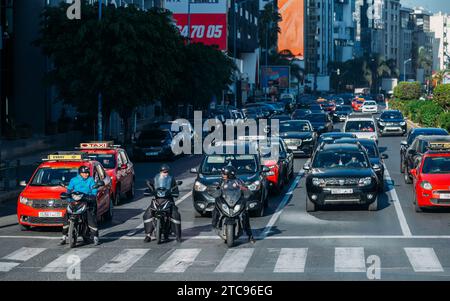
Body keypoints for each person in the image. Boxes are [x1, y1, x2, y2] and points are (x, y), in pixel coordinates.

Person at [211, 166, 255, 243]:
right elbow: (216, 188)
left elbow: (244, 188)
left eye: (224, 174)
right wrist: (215, 191)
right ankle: (215, 224)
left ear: (230, 174)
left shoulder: (238, 181)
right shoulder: (221, 181)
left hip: (235, 201)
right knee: (215, 209)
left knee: (245, 215)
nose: (222, 175)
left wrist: (247, 191)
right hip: (225, 201)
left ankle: (250, 235)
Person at [60, 165, 99, 246]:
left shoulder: (91, 180)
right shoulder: (74, 180)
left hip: (87, 200)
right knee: (66, 214)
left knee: (90, 216)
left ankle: (95, 236)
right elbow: (69, 190)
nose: (86, 174)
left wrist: (92, 195)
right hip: (75, 201)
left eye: (87, 173)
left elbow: (94, 189)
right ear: (80, 173)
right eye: (84, 173)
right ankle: (63, 236)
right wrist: (68, 197)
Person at [143, 164, 181, 243]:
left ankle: (178, 236)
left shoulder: (171, 179)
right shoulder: (156, 179)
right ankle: (148, 235)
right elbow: (152, 188)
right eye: (164, 172)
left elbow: (176, 190)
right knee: (147, 214)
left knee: (175, 214)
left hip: (168, 200)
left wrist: (174, 192)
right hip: (157, 200)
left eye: (166, 172)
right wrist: (150, 190)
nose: (165, 173)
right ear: (160, 172)